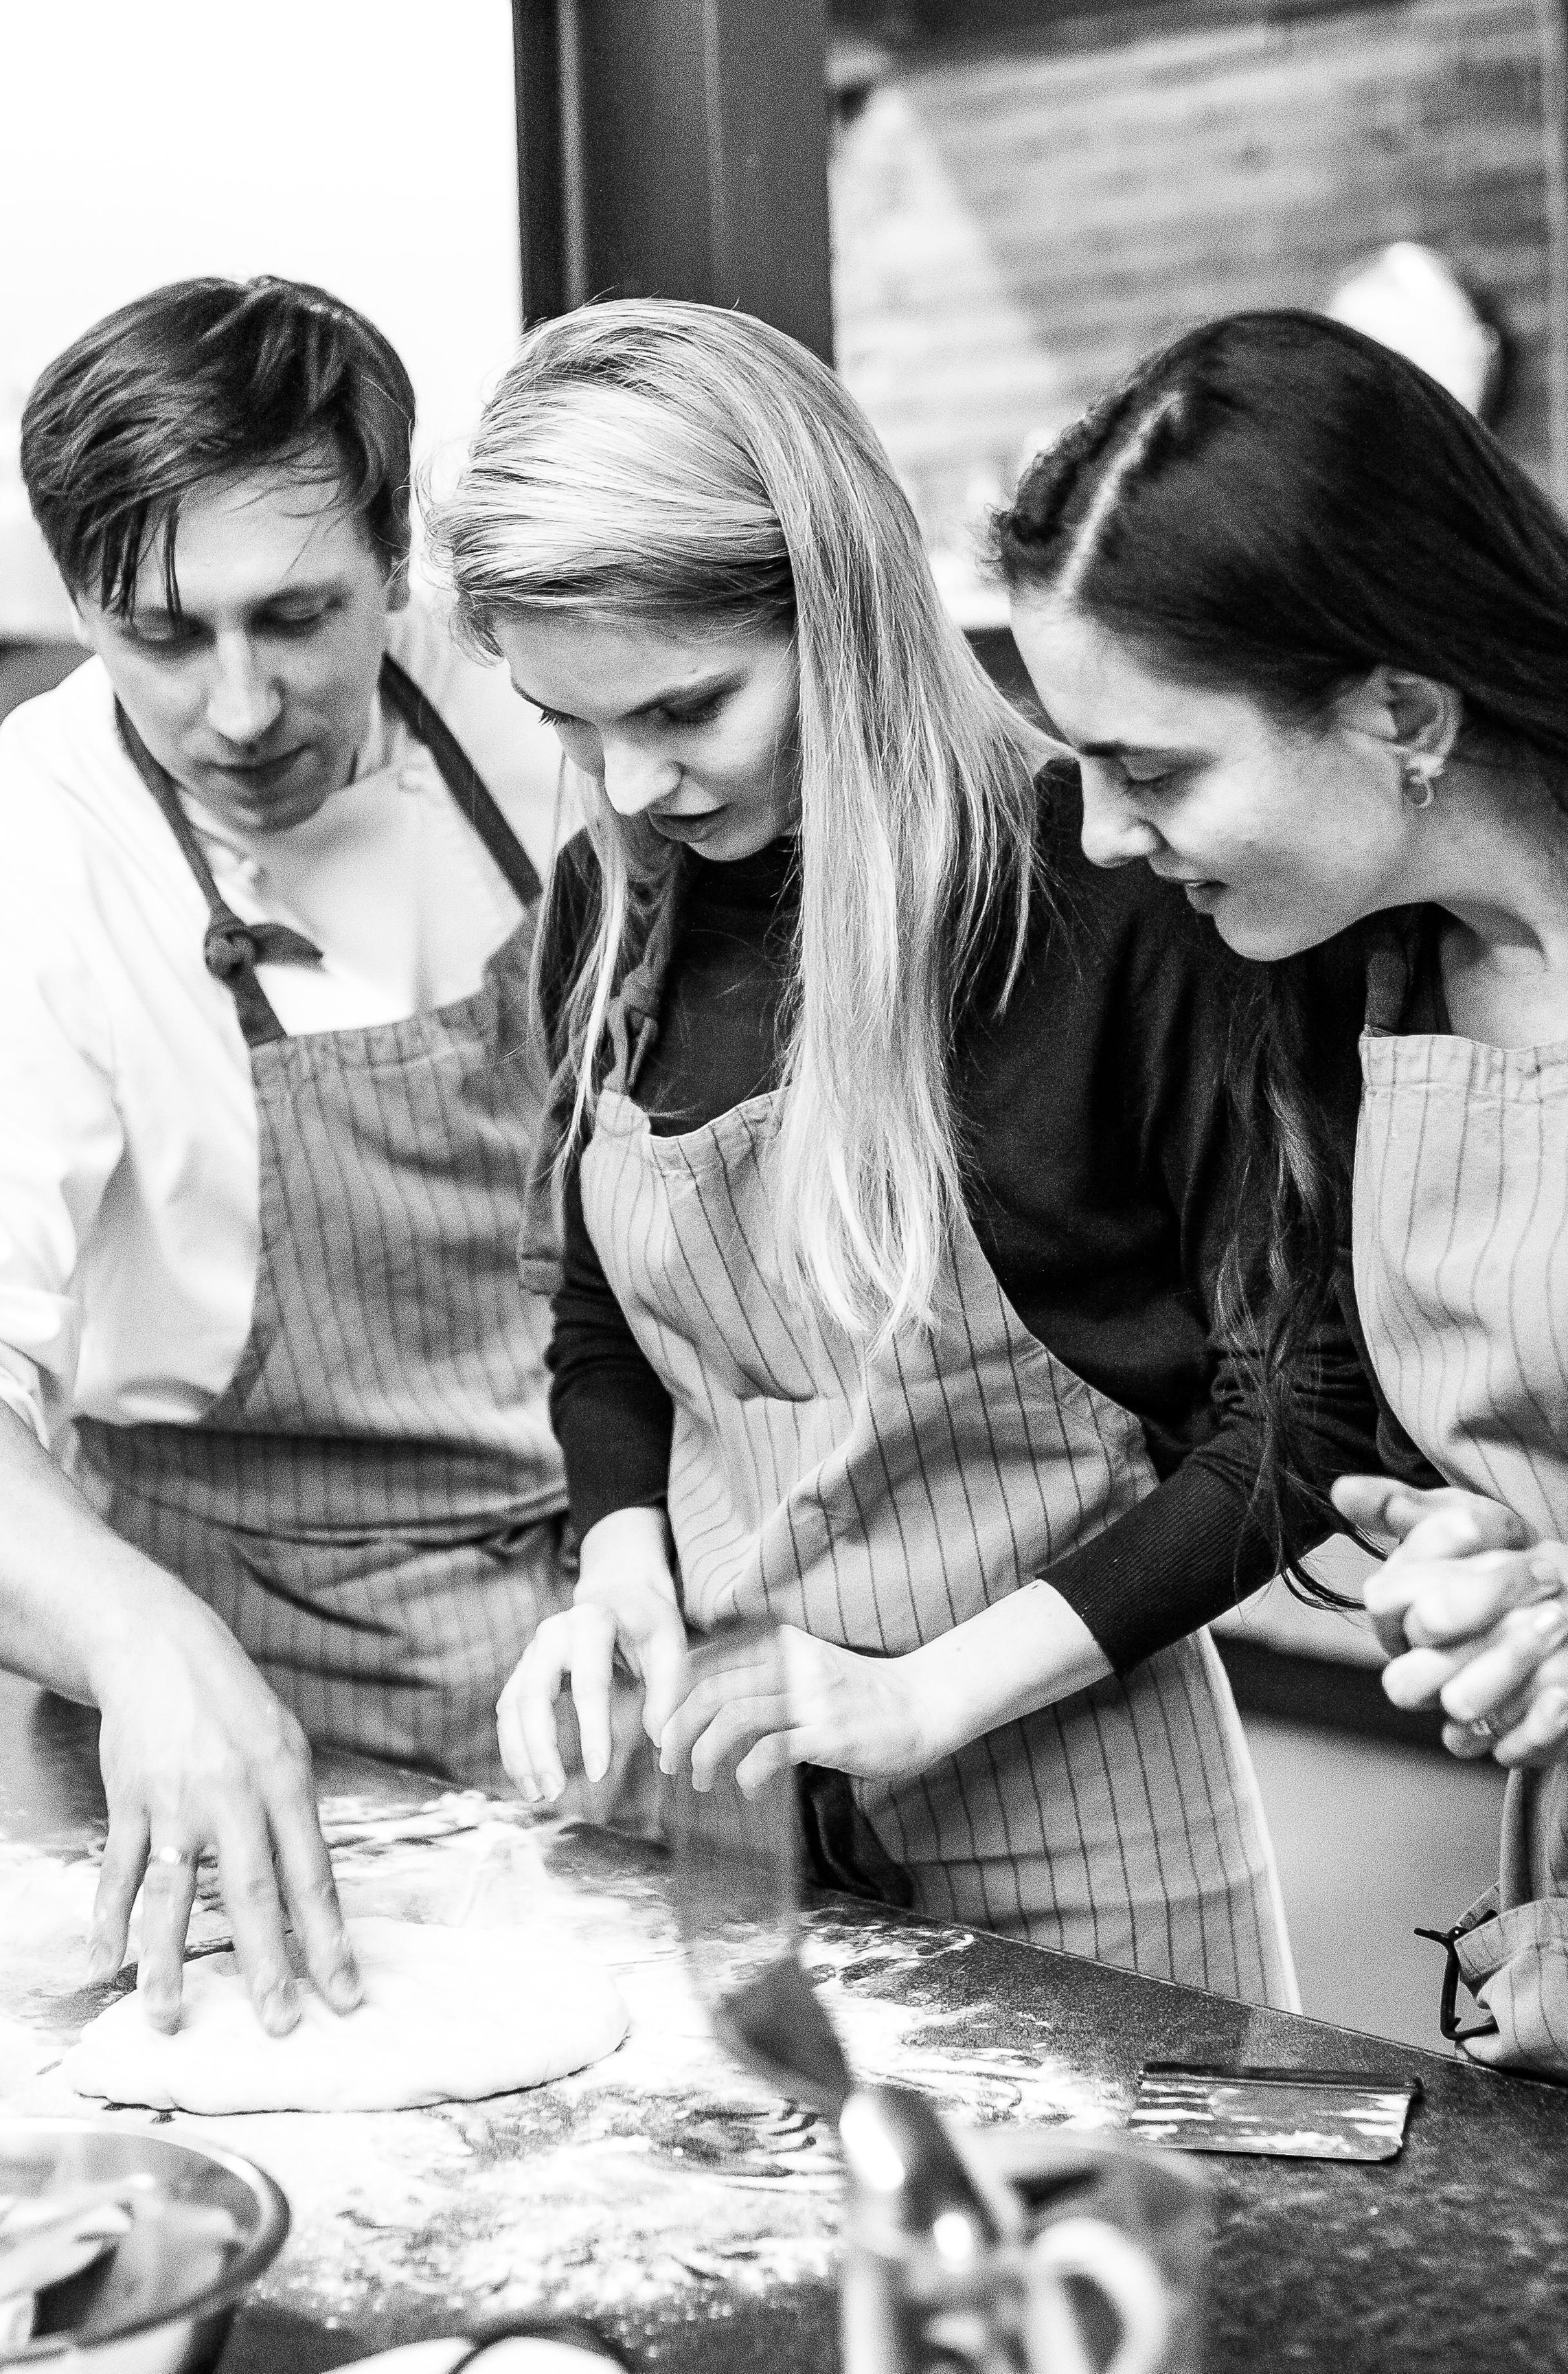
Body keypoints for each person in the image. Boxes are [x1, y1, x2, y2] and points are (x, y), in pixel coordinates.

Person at [431, 297, 1389, 2006]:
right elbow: (595, 1317)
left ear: (840, 608)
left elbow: (1304, 1414)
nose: (630, 784)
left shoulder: (1111, 893)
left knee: (1105, 2278)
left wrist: (922, 1695)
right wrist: (619, 1559)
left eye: (684, 708)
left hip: (1075, 1828)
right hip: (732, 1806)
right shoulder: (609, 907)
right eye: (566, 725)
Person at [0, 277, 573, 2036]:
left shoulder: (546, 713)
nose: (239, 709)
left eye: (299, 617)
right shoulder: (28, 852)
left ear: (399, 557)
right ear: (79, 602)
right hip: (277, 1700)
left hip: (634, 1621)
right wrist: (142, 1642)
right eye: (159, 638)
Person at [995, 306, 1568, 2065]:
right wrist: (1487, 1544)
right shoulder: (1377, 975)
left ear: (1398, 708)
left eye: (1152, 770)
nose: (1096, 836)